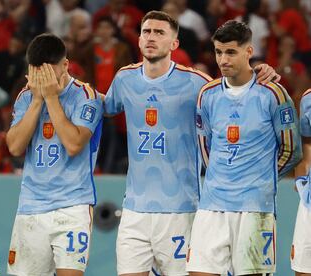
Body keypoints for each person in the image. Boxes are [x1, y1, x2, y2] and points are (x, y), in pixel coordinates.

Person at [103, 11, 280, 276]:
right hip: (134, 210)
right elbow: (103, 107)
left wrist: (257, 71)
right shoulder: (124, 78)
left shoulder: (197, 83)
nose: (151, 37)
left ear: (174, 44)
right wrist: (65, 86)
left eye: (159, 32)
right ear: (138, 39)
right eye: (146, 31)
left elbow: (232, 91)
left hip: (182, 207)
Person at [188, 20, 302, 276]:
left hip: (255, 206)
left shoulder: (273, 93)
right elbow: (205, 147)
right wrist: (221, 176)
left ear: (248, 51)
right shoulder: (207, 94)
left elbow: (291, 150)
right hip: (212, 204)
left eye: (230, 52)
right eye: (218, 52)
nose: (223, 59)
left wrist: (260, 177)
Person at [6, 33, 103, 276]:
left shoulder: (85, 96)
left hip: (72, 206)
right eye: (37, 72)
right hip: (31, 204)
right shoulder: (26, 97)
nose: (43, 79)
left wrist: (50, 97)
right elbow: (15, 147)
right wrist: (38, 101)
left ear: (65, 65)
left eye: (49, 72)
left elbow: (73, 144)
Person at [292, 87, 311, 276]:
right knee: (304, 270)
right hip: (310, 202)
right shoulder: (308, 98)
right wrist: (302, 179)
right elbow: (307, 142)